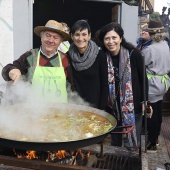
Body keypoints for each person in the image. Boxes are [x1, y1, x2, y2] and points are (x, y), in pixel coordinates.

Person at [98, 22, 148, 148]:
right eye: (107, 38)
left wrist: (145, 101)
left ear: (120, 38)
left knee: (132, 144)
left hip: (133, 107)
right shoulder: (102, 57)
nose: (111, 42)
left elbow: (144, 79)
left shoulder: (134, 54)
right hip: (112, 109)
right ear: (103, 41)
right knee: (115, 143)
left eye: (114, 38)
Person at [1, 20, 73, 103]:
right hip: (35, 113)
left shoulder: (65, 59)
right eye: (48, 36)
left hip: (61, 112)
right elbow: (7, 69)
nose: (51, 40)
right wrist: (12, 71)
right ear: (41, 36)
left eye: (55, 38)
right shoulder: (30, 56)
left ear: (60, 41)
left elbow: (71, 88)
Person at [141, 20, 170, 152]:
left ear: (151, 34)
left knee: (150, 114)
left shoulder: (150, 49)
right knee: (158, 112)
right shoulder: (165, 45)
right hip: (163, 83)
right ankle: (156, 138)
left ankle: (152, 142)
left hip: (152, 85)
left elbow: (141, 65)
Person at [68, 20, 108, 110]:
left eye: (84, 34)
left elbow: (105, 84)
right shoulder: (68, 56)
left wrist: (101, 109)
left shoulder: (100, 55)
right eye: (77, 34)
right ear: (72, 36)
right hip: (75, 106)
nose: (80, 38)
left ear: (89, 36)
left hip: (95, 107)